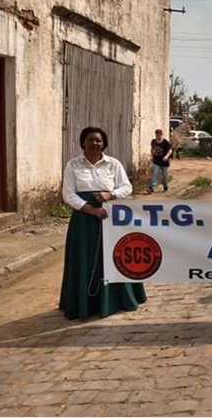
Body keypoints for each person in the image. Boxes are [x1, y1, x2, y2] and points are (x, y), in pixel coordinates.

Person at [60, 127, 147, 320]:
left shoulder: (113, 164)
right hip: (83, 221)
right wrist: (90, 209)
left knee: (113, 258)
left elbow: (126, 187)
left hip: (110, 218)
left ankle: (117, 300)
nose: (94, 143)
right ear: (83, 142)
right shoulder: (73, 165)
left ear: (104, 143)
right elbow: (68, 194)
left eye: (98, 140)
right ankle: (84, 304)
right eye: (90, 140)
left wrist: (111, 194)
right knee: (86, 258)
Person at [147, 129, 172, 193]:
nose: (158, 136)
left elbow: (170, 150)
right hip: (156, 161)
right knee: (155, 174)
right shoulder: (153, 142)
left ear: (161, 134)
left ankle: (165, 187)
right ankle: (152, 188)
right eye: (157, 134)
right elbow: (152, 149)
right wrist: (152, 157)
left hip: (164, 161)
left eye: (159, 134)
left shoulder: (165, 142)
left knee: (165, 175)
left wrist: (166, 156)